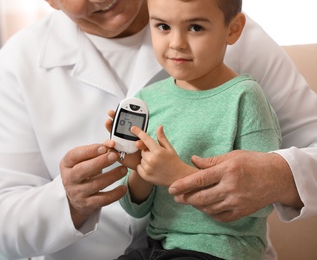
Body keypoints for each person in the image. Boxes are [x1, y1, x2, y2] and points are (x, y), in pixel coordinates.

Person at [0, 0, 317, 259]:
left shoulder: (221, 20)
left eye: (195, 29)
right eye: (164, 28)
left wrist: (279, 176)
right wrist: (70, 201)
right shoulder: (18, 60)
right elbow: (2, 223)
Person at [104, 0, 281, 259]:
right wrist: (140, 169)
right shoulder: (147, 100)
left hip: (221, 249)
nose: (176, 43)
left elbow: (262, 200)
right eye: (163, 26)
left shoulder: (244, 97)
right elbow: (136, 210)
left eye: (195, 27)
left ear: (232, 30)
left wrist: (178, 176)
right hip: (156, 247)